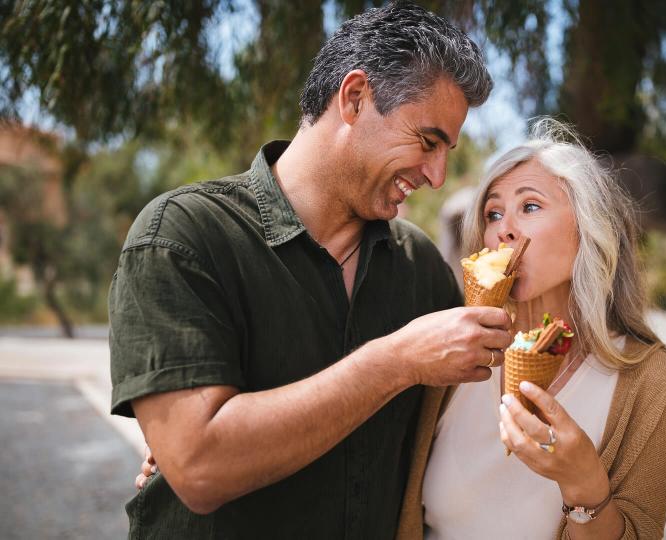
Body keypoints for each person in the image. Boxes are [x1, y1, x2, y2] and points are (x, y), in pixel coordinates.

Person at [109, 2, 512, 538]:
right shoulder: (182, 237)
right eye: (427, 141)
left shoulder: (421, 270)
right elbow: (200, 469)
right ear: (354, 98)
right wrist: (397, 361)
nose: (437, 176)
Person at [396, 118, 666, 539]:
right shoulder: (456, 348)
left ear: (588, 226)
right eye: (493, 213)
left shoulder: (648, 380)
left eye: (529, 206)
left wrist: (586, 484)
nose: (503, 229)